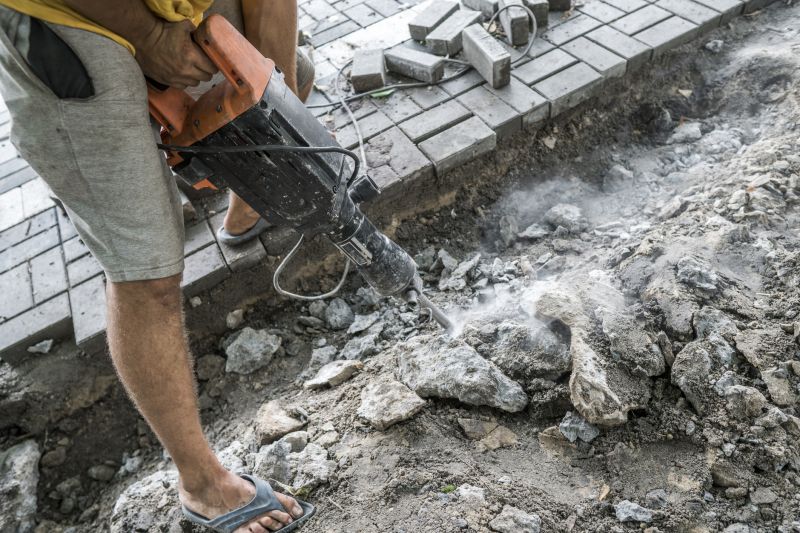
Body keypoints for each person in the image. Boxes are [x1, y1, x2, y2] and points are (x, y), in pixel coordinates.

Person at [0, 1, 315, 531]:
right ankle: (203, 487)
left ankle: (245, 208)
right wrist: (147, 34)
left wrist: (271, 108)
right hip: (66, 16)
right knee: (147, 270)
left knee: (290, 79)